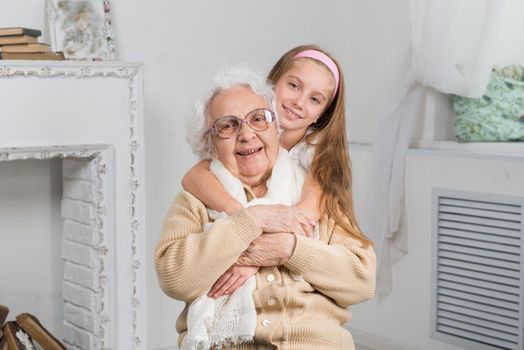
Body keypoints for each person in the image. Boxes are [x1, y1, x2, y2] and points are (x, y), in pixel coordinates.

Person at [155, 66, 376, 349]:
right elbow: (176, 278)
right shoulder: (194, 201)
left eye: (258, 119)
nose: (247, 135)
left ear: (276, 126)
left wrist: (288, 248)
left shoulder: (318, 191)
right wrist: (251, 220)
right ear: (208, 141)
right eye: (228, 125)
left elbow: (361, 280)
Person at [181, 45, 372, 298]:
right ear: (272, 84)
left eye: (314, 100)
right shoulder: (243, 133)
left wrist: (255, 259)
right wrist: (247, 216)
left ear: (321, 115)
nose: (298, 102)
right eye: (294, 86)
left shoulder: (316, 155)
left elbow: (304, 215)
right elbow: (193, 177)